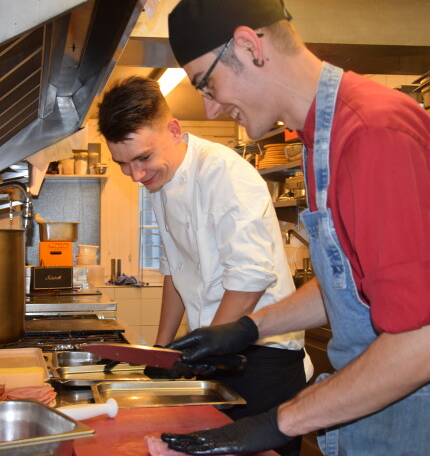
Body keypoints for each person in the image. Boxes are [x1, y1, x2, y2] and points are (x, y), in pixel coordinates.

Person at [157, 0, 430, 455]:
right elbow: (350, 285)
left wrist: (277, 422)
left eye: (206, 83)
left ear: (249, 46)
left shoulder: (372, 134)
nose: (210, 107)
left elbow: (424, 346)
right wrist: (248, 329)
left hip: (419, 419)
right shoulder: (321, 139)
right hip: (375, 408)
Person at [97, 75, 310, 456]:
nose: (136, 175)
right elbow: (175, 270)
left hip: (263, 355)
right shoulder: (161, 183)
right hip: (217, 352)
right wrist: (162, 351)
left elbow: (249, 279)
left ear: (174, 130)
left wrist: (203, 348)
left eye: (143, 158)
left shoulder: (224, 173)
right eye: (123, 164)